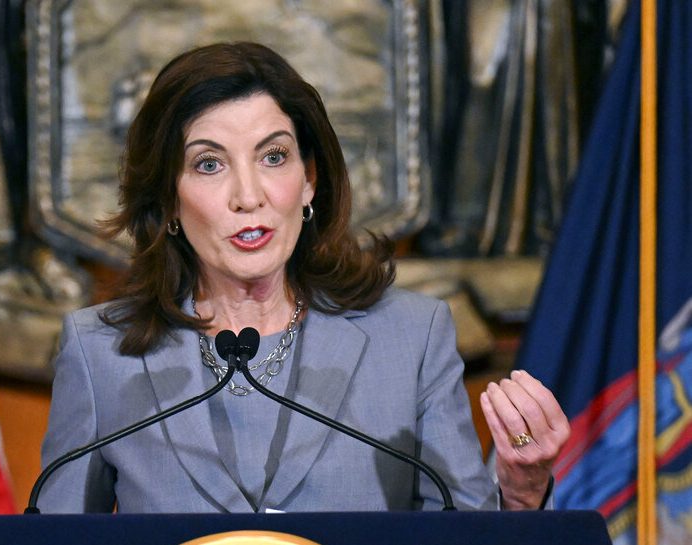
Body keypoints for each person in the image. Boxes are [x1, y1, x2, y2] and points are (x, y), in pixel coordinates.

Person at [39, 42, 570, 513]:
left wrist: (522, 494)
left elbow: (464, 537)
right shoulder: (100, 353)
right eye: (209, 164)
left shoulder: (412, 338)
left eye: (274, 157)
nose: (249, 196)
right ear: (167, 198)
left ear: (310, 179)